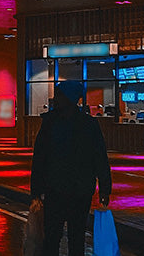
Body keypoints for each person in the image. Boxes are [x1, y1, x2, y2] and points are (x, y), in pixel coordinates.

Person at [29, 81, 112, 256]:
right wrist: (36, 190)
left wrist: (105, 186)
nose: (55, 99)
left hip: (71, 189)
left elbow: (99, 156)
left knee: (71, 238)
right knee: (57, 238)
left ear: (70, 98)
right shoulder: (61, 123)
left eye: (59, 95)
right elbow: (40, 158)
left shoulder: (58, 123)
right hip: (64, 188)